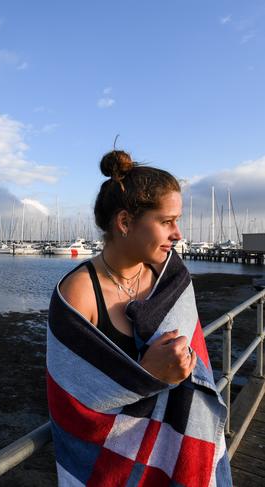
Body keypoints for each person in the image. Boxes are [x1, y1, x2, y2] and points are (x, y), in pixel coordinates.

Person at [46, 150, 231, 486]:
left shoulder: (172, 281)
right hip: (114, 467)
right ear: (125, 222)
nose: (178, 233)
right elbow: (71, 401)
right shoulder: (79, 294)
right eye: (166, 221)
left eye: (177, 220)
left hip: (180, 457)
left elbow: (197, 366)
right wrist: (146, 374)